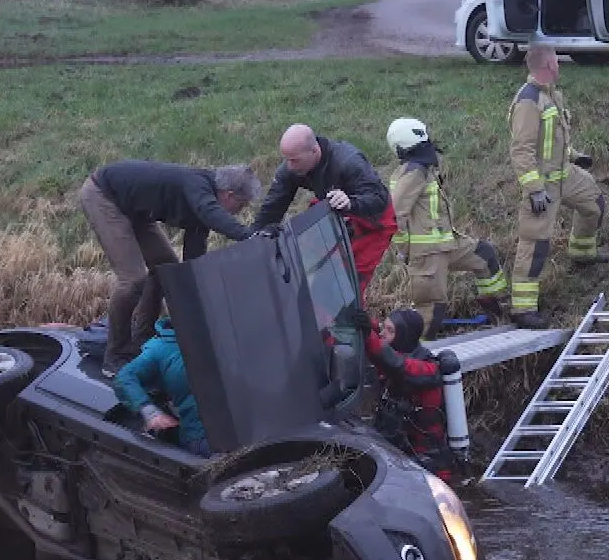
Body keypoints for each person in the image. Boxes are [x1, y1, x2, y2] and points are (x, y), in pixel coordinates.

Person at [78, 160, 260, 375]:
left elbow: (193, 257)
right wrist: (250, 236)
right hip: (104, 197)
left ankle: (142, 339)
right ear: (228, 195)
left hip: (135, 209)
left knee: (168, 270)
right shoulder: (198, 187)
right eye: (241, 205)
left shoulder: (204, 203)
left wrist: (197, 300)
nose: (239, 212)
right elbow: (210, 212)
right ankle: (115, 355)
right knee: (133, 280)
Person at [507, 43, 609, 329]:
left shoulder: (551, 95)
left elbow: (553, 139)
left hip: (565, 173)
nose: (560, 65)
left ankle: (582, 250)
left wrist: (576, 156)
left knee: (595, 205)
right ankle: (522, 308)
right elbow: (521, 150)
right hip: (542, 187)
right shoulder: (529, 102)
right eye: (557, 61)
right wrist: (534, 189)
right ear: (548, 65)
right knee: (535, 243)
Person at [386, 117, 509, 337]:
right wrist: (405, 251)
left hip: (448, 244)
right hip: (427, 255)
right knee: (432, 310)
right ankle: (417, 360)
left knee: (484, 255)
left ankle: (498, 313)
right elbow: (395, 216)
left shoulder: (423, 168)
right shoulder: (414, 173)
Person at [255, 124, 395, 295]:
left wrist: (351, 203)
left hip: (372, 220)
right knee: (319, 278)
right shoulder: (292, 167)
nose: (289, 166)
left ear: (315, 151)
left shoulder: (349, 162)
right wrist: (254, 238)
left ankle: (351, 319)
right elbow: (272, 206)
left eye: (294, 160)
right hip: (335, 213)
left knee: (349, 288)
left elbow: (378, 198)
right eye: (286, 159)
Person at [362, 308, 458, 479]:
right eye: (383, 328)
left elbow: (398, 364)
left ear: (404, 335)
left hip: (430, 465)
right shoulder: (391, 363)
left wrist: (370, 337)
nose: (383, 334)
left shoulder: (428, 369)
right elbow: (383, 358)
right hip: (400, 453)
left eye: (390, 330)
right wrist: (365, 325)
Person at [112, 317, 210, 457]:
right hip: (201, 437)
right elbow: (124, 378)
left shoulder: (221, 336)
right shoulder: (160, 348)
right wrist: (151, 413)